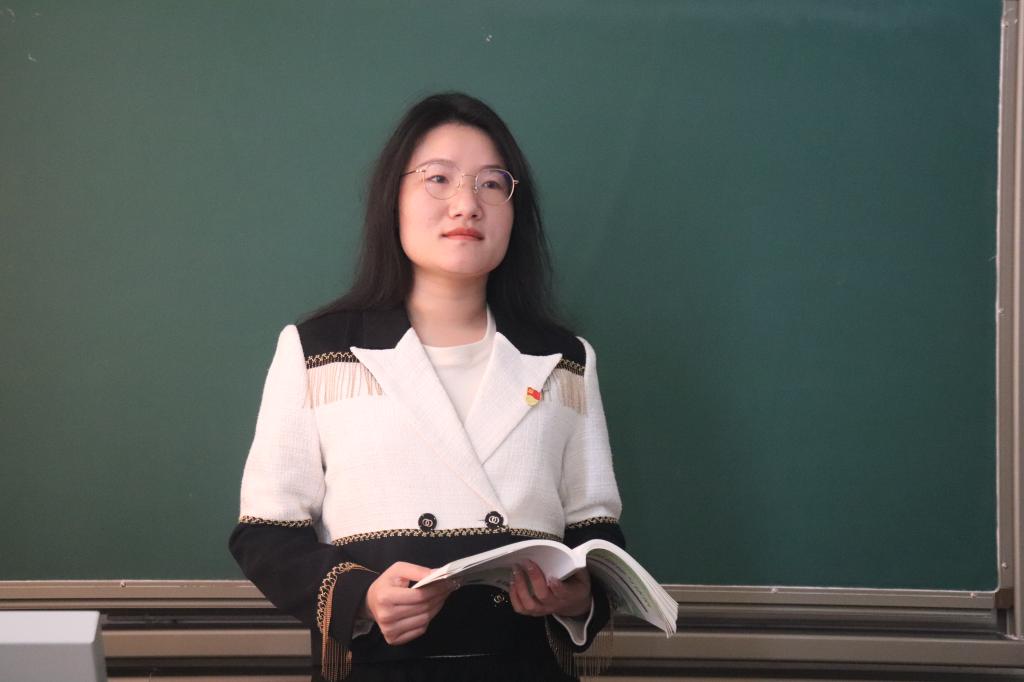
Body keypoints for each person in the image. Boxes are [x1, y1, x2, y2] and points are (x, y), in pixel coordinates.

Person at [229, 92, 625, 682]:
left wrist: (578, 595)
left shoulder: (563, 358)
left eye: (492, 184)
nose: (467, 204)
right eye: (438, 179)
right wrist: (363, 596)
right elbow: (266, 533)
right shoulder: (318, 349)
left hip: (522, 666)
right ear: (393, 199)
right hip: (378, 668)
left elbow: (595, 527)